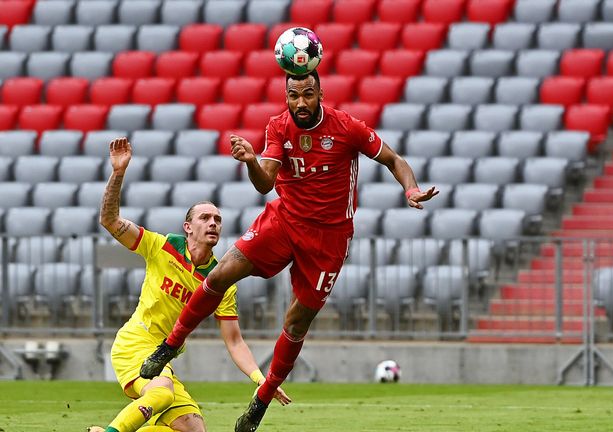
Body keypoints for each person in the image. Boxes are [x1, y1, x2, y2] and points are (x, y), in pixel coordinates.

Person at [140, 69, 438, 431]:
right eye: (294, 95)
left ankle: (261, 401)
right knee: (220, 275)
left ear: (320, 93)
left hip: (328, 240)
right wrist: (251, 160)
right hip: (283, 221)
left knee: (297, 322)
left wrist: (410, 189)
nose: (300, 102)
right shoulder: (279, 127)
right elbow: (265, 182)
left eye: (308, 95)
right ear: (287, 96)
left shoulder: (346, 127)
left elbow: (394, 160)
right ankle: (169, 346)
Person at [90, 137, 290, 432]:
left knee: (193, 429)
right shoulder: (161, 246)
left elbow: (234, 341)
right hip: (135, 343)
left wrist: (262, 380)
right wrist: (118, 172)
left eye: (218, 220)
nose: (213, 223)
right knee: (162, 393)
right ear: (188, 227)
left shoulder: (220, 280)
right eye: (205, 218)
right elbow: (109, 220)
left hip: (162, 357)